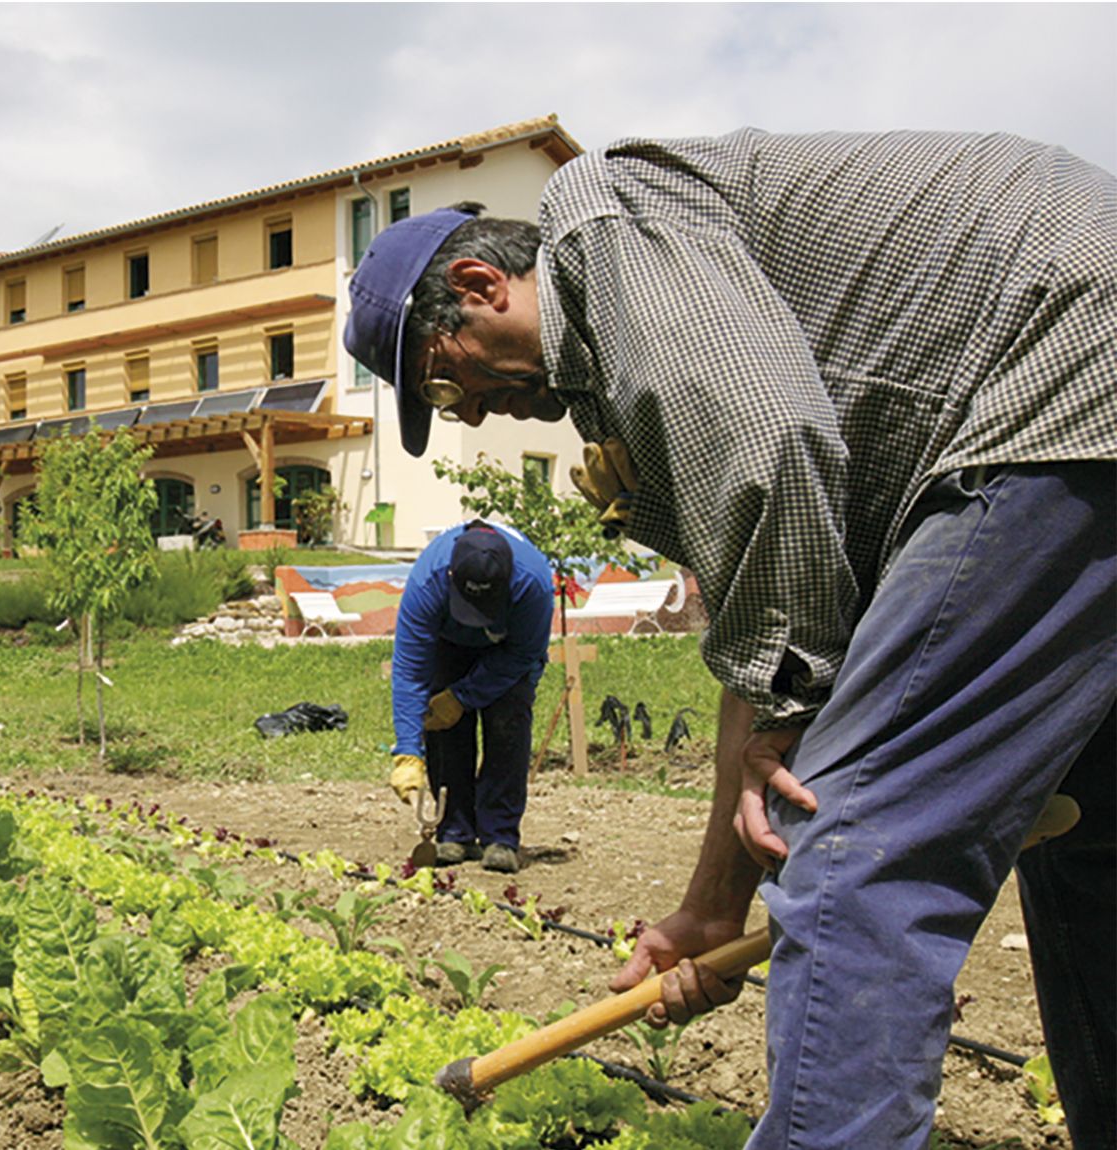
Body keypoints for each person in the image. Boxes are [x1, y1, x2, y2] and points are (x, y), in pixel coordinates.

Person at [344, 129, 1115, 1149]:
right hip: (1069, 393)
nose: (473, 417)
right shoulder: (646, 355)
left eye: (445, 385)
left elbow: (769, 448)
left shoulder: (601, 226)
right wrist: (713, 906)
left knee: (850, 861)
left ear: (484, 283)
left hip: (1056, 372)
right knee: (1087, 841)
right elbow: (764, 611)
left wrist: (793, 719)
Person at [389, 519, 553, 872]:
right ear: (452, 578)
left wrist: (463, 697)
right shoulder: (428, 580)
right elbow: (410, 667)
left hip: (509, 650)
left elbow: (523, 655)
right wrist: (407, 751)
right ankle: (455, 831)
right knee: (443, 723)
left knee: (508, 723)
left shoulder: (532, 583)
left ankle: (500, 836)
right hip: (449, 643)